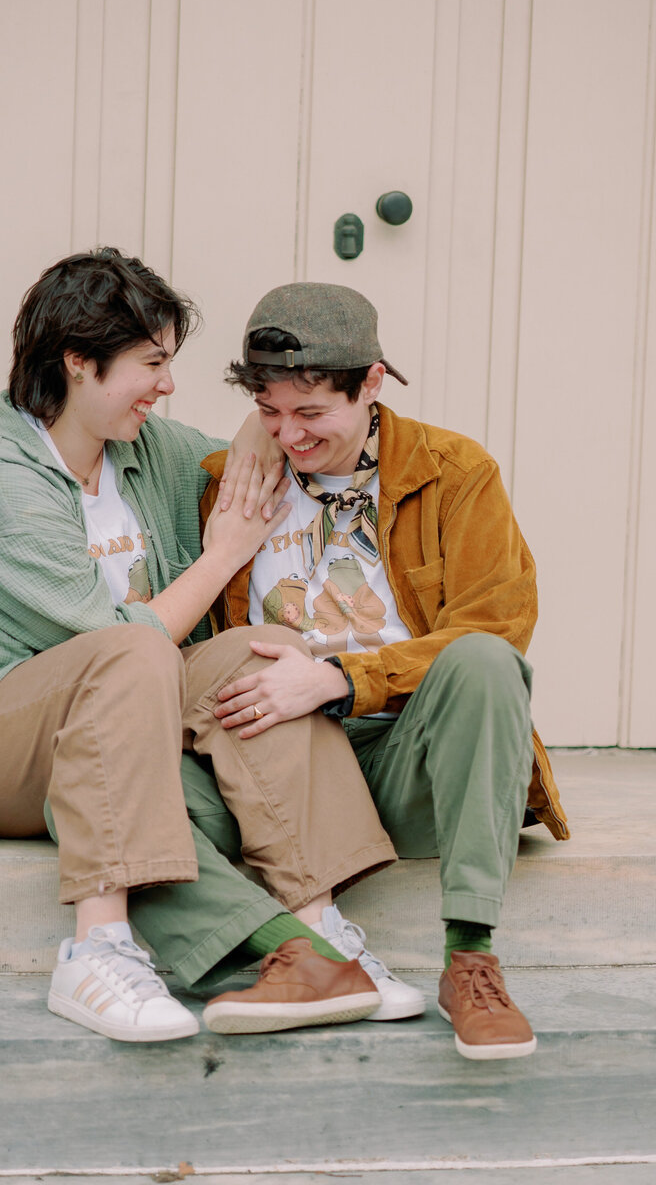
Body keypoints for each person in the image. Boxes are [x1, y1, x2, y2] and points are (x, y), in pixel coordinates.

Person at [0, 249, 412, 1044]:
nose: (167, 384)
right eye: (151, 363)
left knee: (264, 647)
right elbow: (112, 643)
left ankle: (323, 929)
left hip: (127, 717)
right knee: (133, 651)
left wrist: (255, 427)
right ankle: (97, 951)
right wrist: (220, 556)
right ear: (78, 363)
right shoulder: (1, 483)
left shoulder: (146, 451)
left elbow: (267, 441)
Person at [198, 281, 571, 1060]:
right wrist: (247, 435)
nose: (289, 436)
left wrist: (341, 679)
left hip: (409, 765)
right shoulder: (224, 482)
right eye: (270, 412)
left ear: (371, 384)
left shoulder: (453, 470)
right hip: (282, 775)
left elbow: (500, 623)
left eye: (311, 414)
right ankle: (299, 955)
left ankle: (470, 958)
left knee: (484, 659)